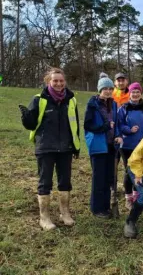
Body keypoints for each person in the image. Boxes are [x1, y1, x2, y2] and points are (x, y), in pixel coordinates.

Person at [20, 67, 80, 230]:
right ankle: (44, 217)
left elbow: (74, 124)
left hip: (66, 148)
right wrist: (26, 119)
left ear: (65, 81)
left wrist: (76, 145)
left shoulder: (71, 100)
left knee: (65, 182)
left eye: (61, 80)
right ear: (48, 82)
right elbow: (32, 124)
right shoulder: (39, 100)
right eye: (55, 81)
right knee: (44, 182)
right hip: (45, 147)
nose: (59, 83)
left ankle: (65, 213)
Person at [84, 74, 123, 218]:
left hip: (111, 146)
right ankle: (97, 208)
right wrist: (105, 126)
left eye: (110, 88)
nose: (107, 91)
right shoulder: (93, 104)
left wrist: (118, 135)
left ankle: (106, 207)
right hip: (98, 146)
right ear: (100, 89)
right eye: (105, 88)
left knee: (109, 178)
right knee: (98, 178)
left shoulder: (113, 104)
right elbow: (88, 125)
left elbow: (117, 123)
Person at [117, 82, 143, 210]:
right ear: (130, 93)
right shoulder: (123, 108)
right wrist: (129, 130)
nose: (135, 94)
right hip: (127, 146)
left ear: (140, 93)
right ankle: (128, 198)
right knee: (129, 172)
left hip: (142, 145)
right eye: (133, 92)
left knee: (140, 171)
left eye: (137, 91)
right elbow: (119, 124)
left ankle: (136, 195)